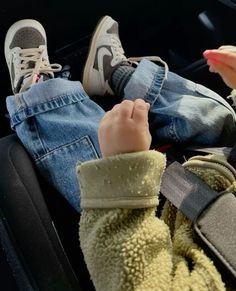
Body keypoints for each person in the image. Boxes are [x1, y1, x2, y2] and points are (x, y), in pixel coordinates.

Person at [4, 16, 236, 289]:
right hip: (223, 165)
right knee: (218, 116)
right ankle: (116, 74)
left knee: (98, 161)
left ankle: (39, 95)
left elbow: (137, 281)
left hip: (174, 223)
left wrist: (123, 167)